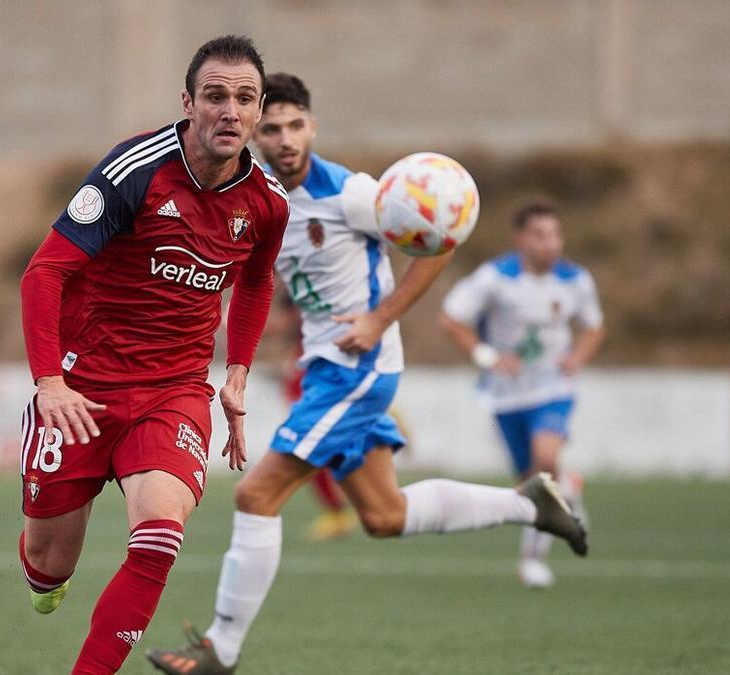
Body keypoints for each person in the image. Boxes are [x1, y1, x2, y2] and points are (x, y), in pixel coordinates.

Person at [146, 73, 587, 675]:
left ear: (312, 127)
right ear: (252, 131)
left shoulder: (351, 194)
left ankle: (220, 649)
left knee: (256, 493)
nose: (284, 139)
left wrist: (380, 318)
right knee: (384, 517)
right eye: (270, 128)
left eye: (295, 125)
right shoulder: (260, 198)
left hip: (356, 368)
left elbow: (440, 243)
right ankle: (531, 505)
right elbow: (275, 281)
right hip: (326, 363)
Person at [16, 35, 290, 675]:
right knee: (48, 567)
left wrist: (239, 372)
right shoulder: (134, 170)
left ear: (258, 110)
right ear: (188, 102)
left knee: (161, 533)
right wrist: (49, 383)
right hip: (83, 389)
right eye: (215, 96)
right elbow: (44, 275)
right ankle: (43, 572)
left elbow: (255, 281)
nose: (230, 111)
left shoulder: (268, 202)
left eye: (244, 99)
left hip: (175, 391)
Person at [439, 201, 605, 588]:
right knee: (528, 480)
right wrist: (487, 356)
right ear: (521, 239)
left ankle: (532, 560)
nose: (550, 243)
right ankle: (569, 490)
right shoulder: (495, 278)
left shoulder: (575, 280)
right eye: (540, 234)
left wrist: (577, 357)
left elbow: (594, 327)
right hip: (505, 396)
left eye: (555, 235)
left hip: (553, 390)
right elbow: (451, 319)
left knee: (544, 461)